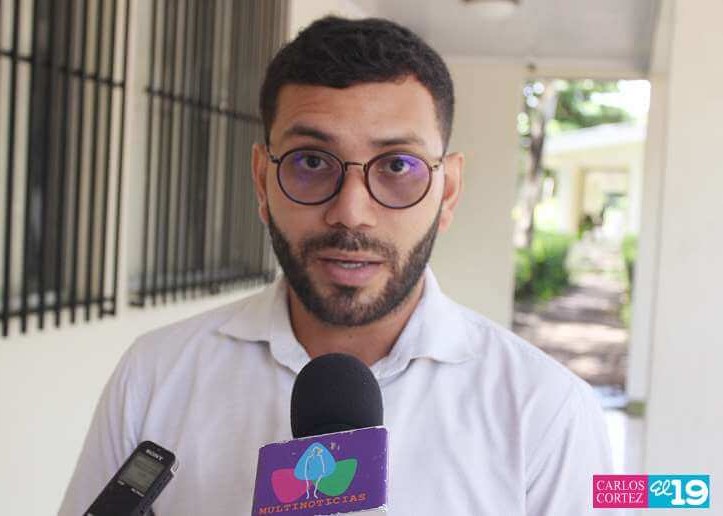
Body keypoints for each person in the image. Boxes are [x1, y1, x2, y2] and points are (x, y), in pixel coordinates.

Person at [59, 16, 613, 515]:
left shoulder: (544, 409)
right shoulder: (155, 375)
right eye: (311, 161)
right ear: (262, 181)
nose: (351, 212)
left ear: (447, 192)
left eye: (398, 165)